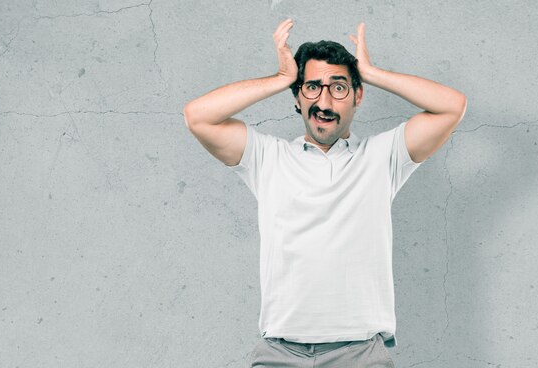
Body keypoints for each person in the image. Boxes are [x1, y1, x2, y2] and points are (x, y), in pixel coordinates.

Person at [183, 19, 466, 367]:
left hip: (360, 354)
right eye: (312, 87)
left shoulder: (382, 157)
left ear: (357, 96)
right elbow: (198, 116)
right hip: (279, 354)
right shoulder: (267, 157)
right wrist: (281, 78)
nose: (324, 100)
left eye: (339, 87)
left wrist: (371, 73)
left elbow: (452, 106)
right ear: (298, 98)